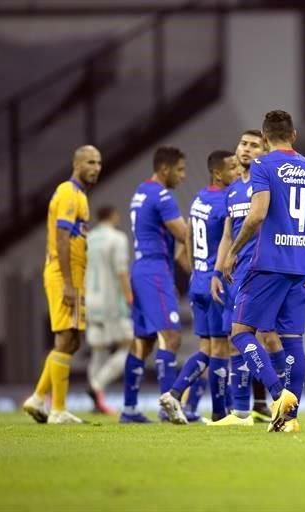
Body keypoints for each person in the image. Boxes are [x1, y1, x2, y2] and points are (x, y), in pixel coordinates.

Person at [222, 109, 305, 433]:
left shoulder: (262, 165)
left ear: (265, 139)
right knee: (293, 341)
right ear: (294, 135)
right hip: (300, 267)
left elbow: (256, 215)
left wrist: (232, 250)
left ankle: (276, 396)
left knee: (241, 333)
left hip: (266, 264)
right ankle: (290, 419)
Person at [158, 150, 239, 424]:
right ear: (217, 173)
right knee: (220, 349)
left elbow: (189, 236)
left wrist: (195, 270)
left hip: (199, 281)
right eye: (232, 167)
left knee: (207, 347)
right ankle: (218, 412)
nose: (238, 170)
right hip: (217, 283)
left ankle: (176, 394)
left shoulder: (199, 199)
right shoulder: (227, 200)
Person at [22, 145, 101, 424]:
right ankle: (57, 409)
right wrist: (68, 282)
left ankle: (37, 398)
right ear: (76, 164)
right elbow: (61, 238)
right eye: (90, 162)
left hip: (73, 276)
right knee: (65, 337)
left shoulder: (80, 196)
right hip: (62, 274)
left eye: (99, 163)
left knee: (74, 339)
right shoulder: (68, 193)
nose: (96, 168)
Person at [120, 145, 191, 423]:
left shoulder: (141, 191)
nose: (183, 176)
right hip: (155, 270)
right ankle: (168, 406)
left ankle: (129, 408)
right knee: (171, 336)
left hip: (141, 268)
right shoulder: (162, 196)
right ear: (165, 169)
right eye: (180, 169)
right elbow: (184, 234)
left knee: (143, 341)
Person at [208, 130, 271, 426]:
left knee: (254, 337)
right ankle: (247, 409)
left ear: (265, 150)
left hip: (259, 270)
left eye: (254, 145)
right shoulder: (233, 190)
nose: (246, 149)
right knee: (237, 340)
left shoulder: (266, 184)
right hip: (235, 272)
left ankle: (254, 406)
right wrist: (218, 271)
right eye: (243, 144)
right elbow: (227, 235)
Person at [84, 205, 133, 416]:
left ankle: (97, 400)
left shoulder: (88, 238)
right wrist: (129, 296)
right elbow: (121, 270)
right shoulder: (117, 238)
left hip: (90, 299)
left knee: (98, 349)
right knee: (130, 345)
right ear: (113, 216)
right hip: (112, 301)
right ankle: (97, 385)